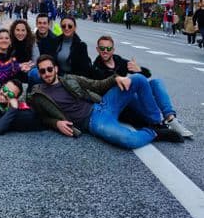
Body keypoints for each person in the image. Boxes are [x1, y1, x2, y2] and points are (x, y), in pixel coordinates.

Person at [28, 55, 184, 148]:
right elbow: (40, 117)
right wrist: (56, 123)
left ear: (55, 68)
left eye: (49, 69)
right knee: (129, 140)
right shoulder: (38, 95)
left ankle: (155, 121)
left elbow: (97, 85)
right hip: (93, 122)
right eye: (42, 71)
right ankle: (154, 133)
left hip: (103, 104)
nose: (47, 73)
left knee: (138, 79)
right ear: (39, 73)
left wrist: (117, 78)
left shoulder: (70, 79)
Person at [92, 35, 193, 138]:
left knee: (156, 82)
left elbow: (147, 74)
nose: (105, 51)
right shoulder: (96, 67)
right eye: (102, 48)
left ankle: (171, 119)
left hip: (133, 98)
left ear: (113, 50)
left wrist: (139, 69)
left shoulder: (118, 61)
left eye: (108, 48)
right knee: (138, 79)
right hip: (123, 105)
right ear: (97, 49)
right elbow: (103, 85)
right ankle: (156, 122)